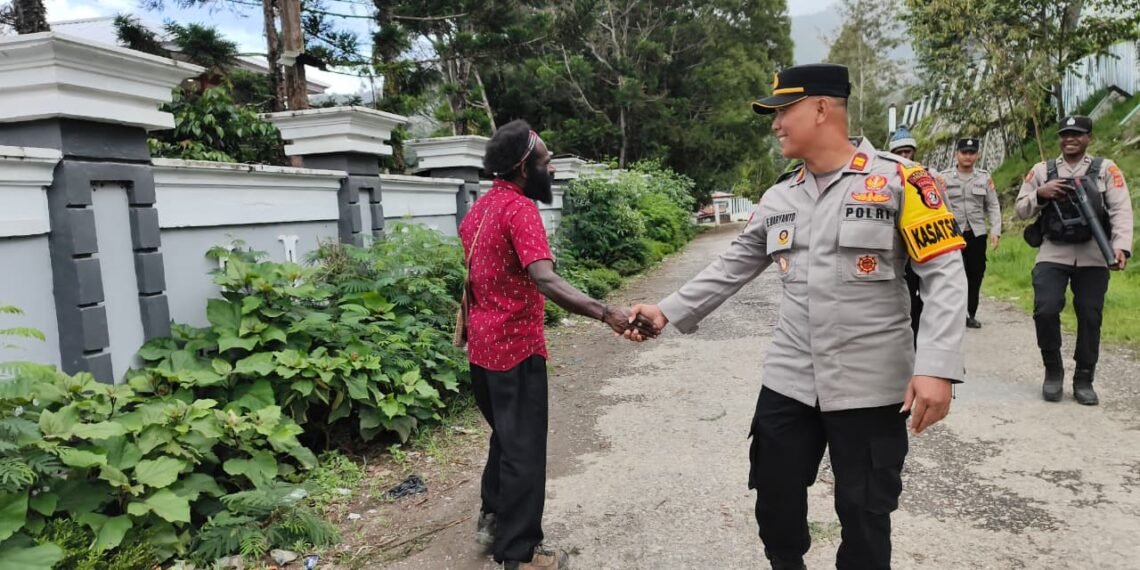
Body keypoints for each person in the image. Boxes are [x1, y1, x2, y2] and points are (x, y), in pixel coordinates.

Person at [625, 64, 968, 570]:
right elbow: (733, 264)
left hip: (871, 384)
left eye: (783, 110)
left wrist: (936, 365)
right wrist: (665, 311)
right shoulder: (779, 196)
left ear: (821, 109)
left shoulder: (902, 180)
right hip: (791, 379)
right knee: (775, 501)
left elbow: (944, 274)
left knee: (865, 511)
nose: (775, 123)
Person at [459, 120, 653, 570]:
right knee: (524, 449)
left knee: (506, 439)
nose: (551, 168)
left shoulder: (479, 210)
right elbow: (544, 278)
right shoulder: (520, 210)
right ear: (525, 166)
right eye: (545, 160)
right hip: (515, 349)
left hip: (482, 352)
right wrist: (608, 314)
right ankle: (519, 555)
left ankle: (492, 518)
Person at [1014, 115, 1133, 405]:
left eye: (1077, 134)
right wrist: (1041, 194)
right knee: (1045, 309)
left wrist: (1121, 247)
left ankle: (1084, 377)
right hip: (1053, 251)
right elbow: (1020, 209)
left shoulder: (1105, 169)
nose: (1070, 139)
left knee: (1090, 316)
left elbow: (1121, 209)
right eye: (1065, 135)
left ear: (1088, 137)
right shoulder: (1043, 170)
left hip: (1094, 253)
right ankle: (1053, 370)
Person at [887, 126, 946, 340]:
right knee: (905, 298)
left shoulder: (929, 176)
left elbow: (944, 209)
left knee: (933, 297)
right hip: (898, 250)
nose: (904, 157)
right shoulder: (883, 180)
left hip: (925, 245)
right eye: (899, 153)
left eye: (908, 152)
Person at [940, 138, 1002, 329]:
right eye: (964, 152)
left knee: (975, 274)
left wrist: (995, 230)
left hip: (976, 233)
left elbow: (992, 205)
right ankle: (950, 314)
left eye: (971, 153)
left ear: (977, 155)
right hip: (951, 233)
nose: (968, 156)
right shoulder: (944, 178)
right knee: (951, 274)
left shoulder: (984, 178)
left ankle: (970, 313)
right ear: (956, 154)